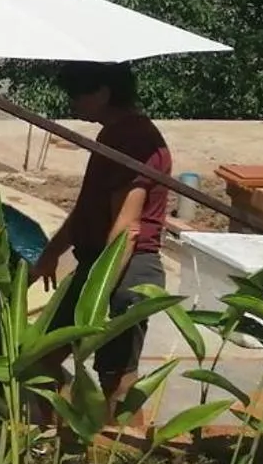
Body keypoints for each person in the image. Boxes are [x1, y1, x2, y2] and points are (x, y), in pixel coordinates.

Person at [34, 61, 172, 422]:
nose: (73, 104)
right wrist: (52, 253)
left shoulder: (136, 141)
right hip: (99, 260)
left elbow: (127, 228)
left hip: (127, 266)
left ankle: (119, 447)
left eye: (78, 95)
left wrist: (98, 291)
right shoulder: (113, 134)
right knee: (39, 358)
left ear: (102, 93)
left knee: (116, 377)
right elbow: (88, 208)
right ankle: (63, 435)